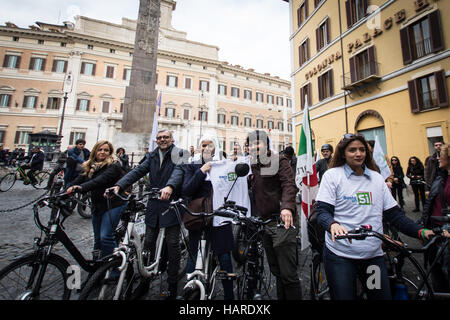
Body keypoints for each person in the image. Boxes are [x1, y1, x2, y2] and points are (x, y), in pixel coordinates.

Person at [314, 133, 433, 300]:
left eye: (362, 150)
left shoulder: (377, 179)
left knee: (378, 296)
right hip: (340, 257)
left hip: (372, 258)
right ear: (343, 153)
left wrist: (420, 231)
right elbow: (322, 211)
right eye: (352, 150)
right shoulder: (332, 176)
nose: (358, 154)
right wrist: (332, 224)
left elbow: (395, 215)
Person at [108, 130, 186, 299]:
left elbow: (179, 171)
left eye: (166, 137)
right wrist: (119, 186)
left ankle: (172, 283)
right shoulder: (152, 155)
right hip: (154, 202)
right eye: (159, 138)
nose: (162, 140)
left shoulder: (180, 153)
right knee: (148, 242)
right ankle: (145, 280)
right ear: (156, 141)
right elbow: (138, 171)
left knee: (172, 243)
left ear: (172, 139)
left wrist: (170, 186)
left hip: (171, 203)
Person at [246, 130, 302, 300]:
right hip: (264, 223)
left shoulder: (279, 160)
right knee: (276, 270)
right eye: (251, 144)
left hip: (282, 221)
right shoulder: (251, 164)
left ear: (266, 144)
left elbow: (289, 185)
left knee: (288, 274)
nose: (255, 146)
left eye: (259, 142)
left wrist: (286, 207)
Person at [182, 138, 234, 300]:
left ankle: (229, 295)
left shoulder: (224, 165)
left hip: (219, 217)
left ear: (215, 148)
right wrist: (201, 171)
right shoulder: (193, 166)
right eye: (203, 145)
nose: (206, 148)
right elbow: (187, 189)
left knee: (225, 257)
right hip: (198, 217)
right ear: (200, 148)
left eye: (210, 145)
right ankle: (190, 289)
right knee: (193, 255)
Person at [66, 141, 127, 260]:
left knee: (106, 236)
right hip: (97, 205)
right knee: (97, 238)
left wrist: (81, 188)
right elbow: (80, 178)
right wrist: (65, 191)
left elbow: (99, 180)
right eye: (100, 150)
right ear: (95, 151)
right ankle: (98, 266)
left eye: (106, 150)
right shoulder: (91, 166)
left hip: (113, 204)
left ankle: (113, 266)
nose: (102, 152)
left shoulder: (114, 166)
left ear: (110, 153)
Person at [420, 143, 450, 293]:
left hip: (447, 233)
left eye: (441, 155)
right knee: (436, 273)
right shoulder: (440, 177)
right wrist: (423, 225)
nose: (438, 158)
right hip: (435, 231)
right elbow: (430, 204)